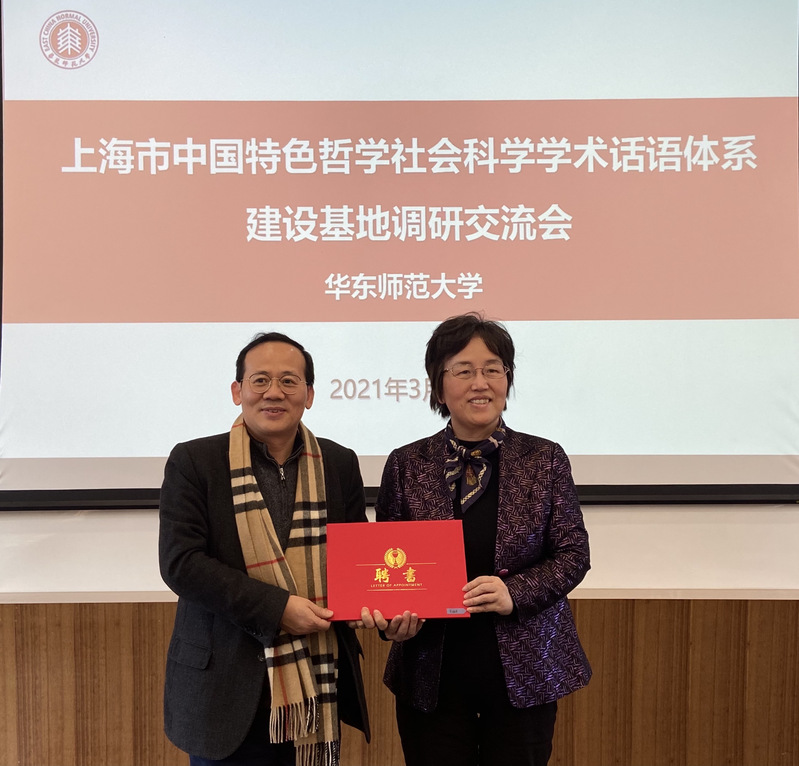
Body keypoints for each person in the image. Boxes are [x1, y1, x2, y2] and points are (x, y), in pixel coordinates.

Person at [362, 313, 591, 766]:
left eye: (493, 369)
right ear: (438, 386)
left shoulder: (544, 458)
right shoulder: (406, 464)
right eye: (463, 370)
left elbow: (573, 553)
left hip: (525, 671)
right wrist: (392, 620)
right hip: (431, 674)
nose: (480, 383)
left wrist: (514, 592)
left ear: (508, 379)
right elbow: (387, 563)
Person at [159, 332, 370, 766]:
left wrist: (382, 605)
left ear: (309, 395)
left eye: (289, 381)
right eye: (260, 380)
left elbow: (356, 560)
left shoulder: (339, 462)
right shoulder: (195, 461)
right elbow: (182, 563)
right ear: (238, 391)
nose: (274, 392)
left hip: (316, 683)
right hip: (224, 688)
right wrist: (277, 609)